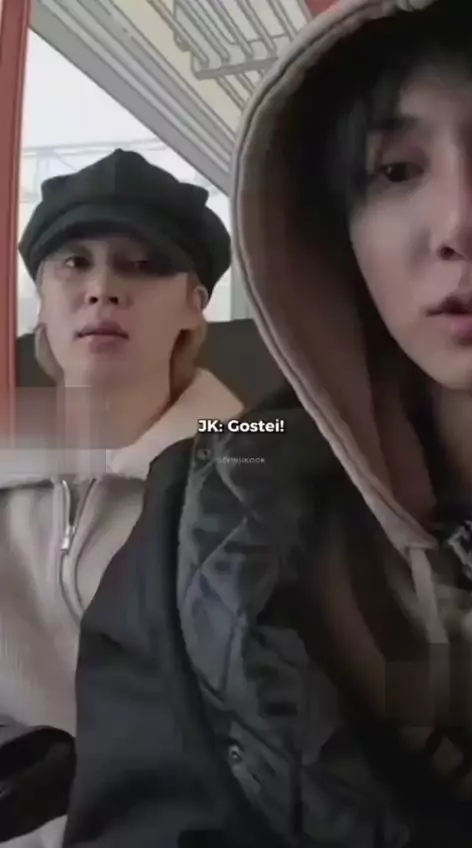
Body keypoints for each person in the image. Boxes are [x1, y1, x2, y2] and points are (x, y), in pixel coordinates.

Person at [62, 0, 472, 845]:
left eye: (142, 267)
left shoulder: (224, 458)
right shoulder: (195, 526)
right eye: (396, 170)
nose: (461, 222)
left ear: (198, 302)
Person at [0, 149, 242, 845]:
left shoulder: (252, 466)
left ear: (195, 302)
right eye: (74, 263)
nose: (103, 288)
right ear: (42, 298)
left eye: (142, 265)